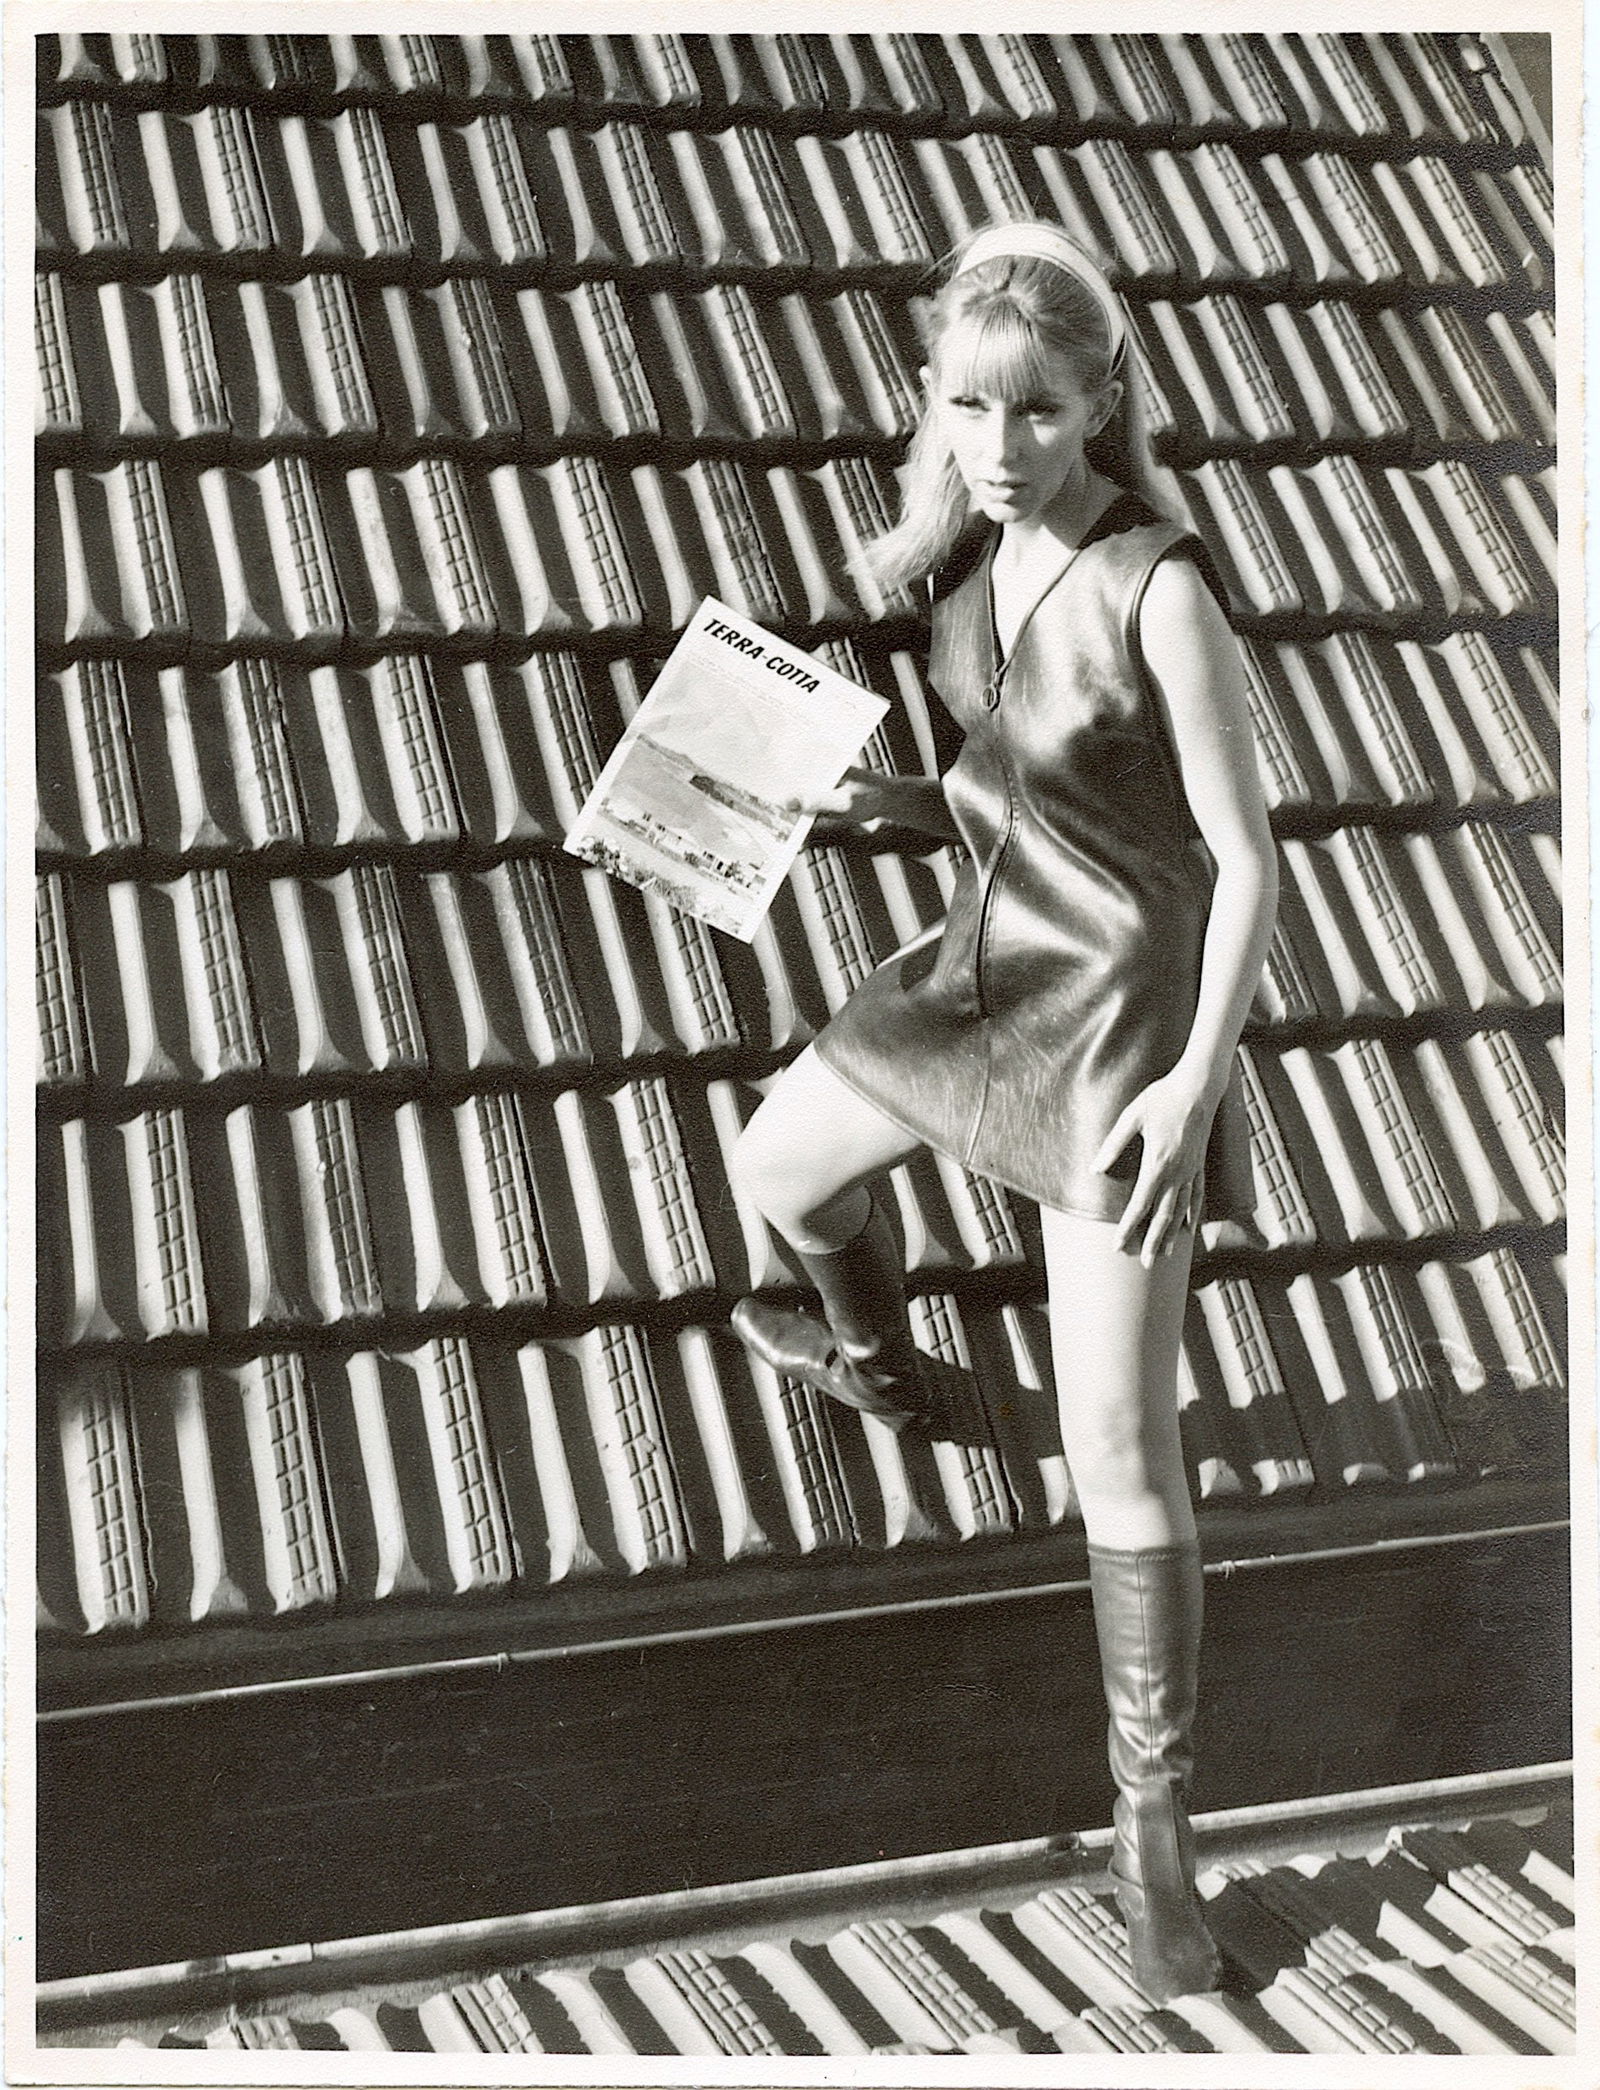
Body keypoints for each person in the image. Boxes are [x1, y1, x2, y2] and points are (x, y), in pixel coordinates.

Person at [728, 220, 1279, 2003]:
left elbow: (1249, 861)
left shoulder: (1160, 581)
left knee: (1121, 1447)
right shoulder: (963, 565)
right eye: (969, 406)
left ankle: (1157, 1851)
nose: (1000, 442)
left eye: (1038, 411)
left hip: (1122, 1025)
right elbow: (1016, 785)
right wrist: (873, 799)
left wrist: (1197, 1086)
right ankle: (880, 1362)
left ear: (1105, 401)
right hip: (982, 970)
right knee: (780, 1165)